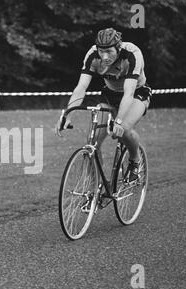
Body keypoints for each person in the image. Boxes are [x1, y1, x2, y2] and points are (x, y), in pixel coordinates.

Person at [55, 27, 152, 183]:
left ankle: (135, 160)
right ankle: (96, 189)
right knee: (92, 141)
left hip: (136, 93)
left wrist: (118, 121)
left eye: (109, 52)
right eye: (101, 51)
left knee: (124, 129)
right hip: (109, 94)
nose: (105, 57)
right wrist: (68, 115)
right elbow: (81, 88)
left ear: (118, 48)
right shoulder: (93, 55)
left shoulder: (132, 53)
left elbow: (128, 93)